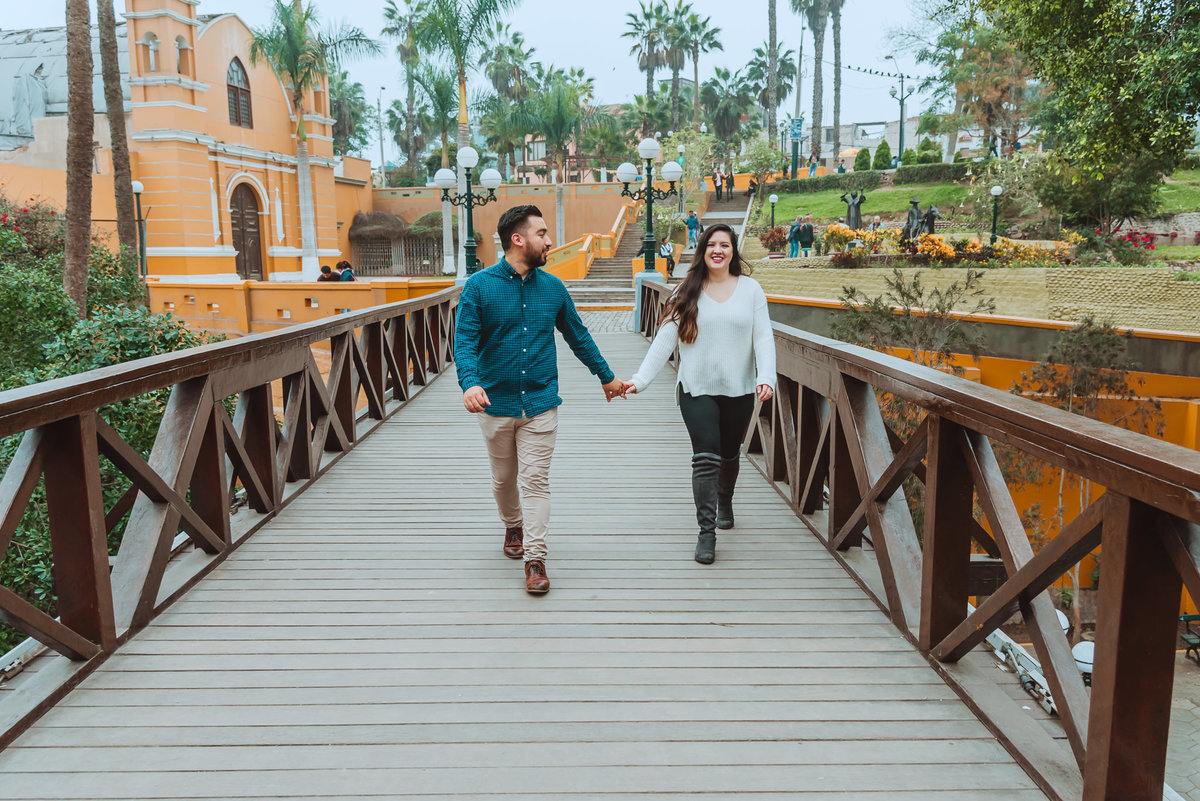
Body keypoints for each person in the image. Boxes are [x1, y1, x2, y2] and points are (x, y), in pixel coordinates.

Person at [454, 204, 628, 594]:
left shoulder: (553, 288)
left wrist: (607, 377)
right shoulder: (479, 287)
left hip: (540, 402)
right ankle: (511, 525)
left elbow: (578, 336)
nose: (549, 241)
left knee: (535, 481)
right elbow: (463, 341)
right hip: (493, 404)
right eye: (542, 233)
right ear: (518, 240)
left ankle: (535, 558)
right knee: (503, 479)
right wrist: (469, 382)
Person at [621, 224, 776, 565]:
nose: (718, 250)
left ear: (733, 251)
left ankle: (726, 500)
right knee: (706, 457)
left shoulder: (751, 290)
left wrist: (766, 376)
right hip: (696, 388)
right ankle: (706, 533)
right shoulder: (687, 290)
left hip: (738, 389)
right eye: (711, 244)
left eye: (725, 245)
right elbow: (665, 339)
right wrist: (639, 380)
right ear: (703, 250)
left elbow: (763, 337)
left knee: (730, 453)